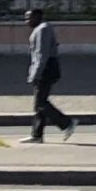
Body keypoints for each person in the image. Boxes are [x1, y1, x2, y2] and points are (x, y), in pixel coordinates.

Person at [24, 8, 72, 142]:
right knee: (39, 103)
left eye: (29, 18)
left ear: (38, 17)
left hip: (46, 69)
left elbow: (41, 54)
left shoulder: (42, 29)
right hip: (45, 68)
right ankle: (37, 135)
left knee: (40, 103)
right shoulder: (41, 29)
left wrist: (35, 74)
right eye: (25, 18)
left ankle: (66, 123)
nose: (26, 21)